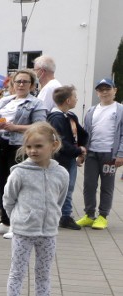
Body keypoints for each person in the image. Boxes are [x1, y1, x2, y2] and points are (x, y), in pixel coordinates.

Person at [3, 122, 68, 296]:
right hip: (23, 231)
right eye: (29, 146)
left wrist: (52, 217)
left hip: (48, 232)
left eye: (39, 146)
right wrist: (18, 220)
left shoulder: (62, 173)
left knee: (44, 273)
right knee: (17, 272)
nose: (33, 151)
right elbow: (9, 199)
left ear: (53, 145)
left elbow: (60, 199)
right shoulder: (19, 173)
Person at [0, 69, 47, 239]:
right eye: (18, 81)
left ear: (32, 85)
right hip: (0, 144)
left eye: (25, 82)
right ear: (12, 84)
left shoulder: (36, 103)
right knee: (3, 182)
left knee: (18, 185)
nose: (20, 84)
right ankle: (5, 222)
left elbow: (40, 126)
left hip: (20, 147)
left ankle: (17, 224)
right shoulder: (5, 101)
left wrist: (16, 128)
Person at [77, 78, 123, 230]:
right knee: (89, 184)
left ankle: (103, 216)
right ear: (97, 92)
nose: (104, 92)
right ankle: (89, 215)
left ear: (114, 90)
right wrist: (82, 151)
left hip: (109, 154)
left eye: (107, 89)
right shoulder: (91, 110)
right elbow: (86, 133)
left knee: (107, 186)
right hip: (92, 153)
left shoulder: (120, 110)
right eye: (101, 89)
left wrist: (121, 154)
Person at [46, 85, 88, 231]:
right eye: (75, 97)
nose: (77, 99)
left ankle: (64, 215)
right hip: (60, 159)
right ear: (68, 100)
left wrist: (81, 150)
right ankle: (61, 216)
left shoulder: (70, 116)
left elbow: (81, 134)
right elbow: (60, 141)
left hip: (70, 157)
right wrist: (77, 150)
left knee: (68, 187)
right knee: (61, 188)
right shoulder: (56, 118)